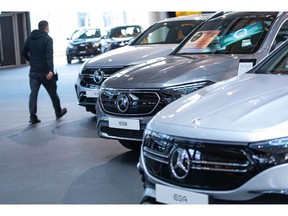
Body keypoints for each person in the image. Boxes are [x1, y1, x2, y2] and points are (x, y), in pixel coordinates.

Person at [22, 20, 67, 124]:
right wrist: (51, 71)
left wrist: (31, 60)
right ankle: (58, 112)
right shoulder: (48, 39)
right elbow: (49, 56)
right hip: (45, 73)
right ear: (46, 28)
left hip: (33, 72)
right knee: (53, 93)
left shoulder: (30, 38)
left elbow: (23, 52)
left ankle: (32, 117)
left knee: (33, 94)